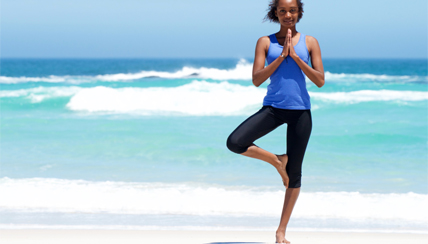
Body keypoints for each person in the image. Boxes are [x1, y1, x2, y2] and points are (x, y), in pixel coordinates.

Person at [226, 0, 324, 243]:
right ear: (275, 13)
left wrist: (297, 58)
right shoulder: (265, 42)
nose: (287, 15)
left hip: (301, 111)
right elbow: (256, 79)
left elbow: (320, 80)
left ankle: (281, 232)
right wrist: (281, 57)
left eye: (292, 10)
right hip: (273, 109)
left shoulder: (310, 42)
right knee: (235, 142)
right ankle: (276, 159)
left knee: (295, 174)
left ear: (299, 13)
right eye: (282, 11)